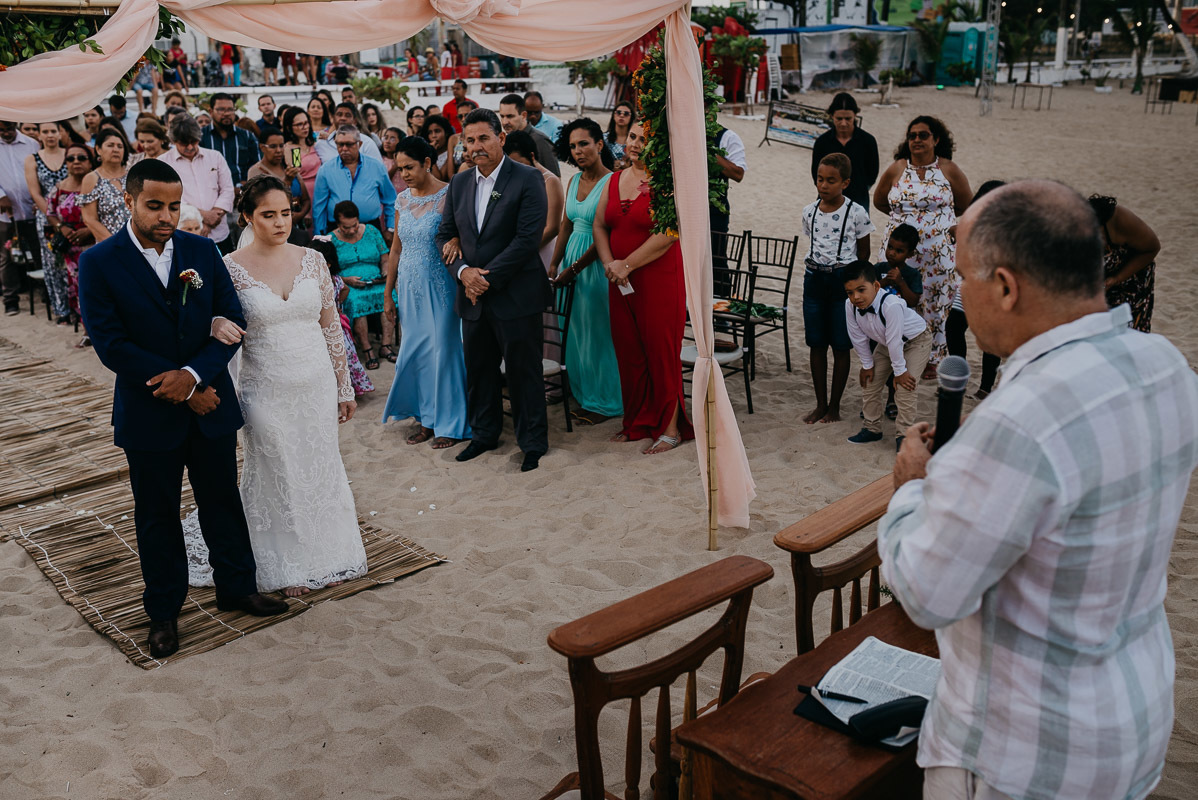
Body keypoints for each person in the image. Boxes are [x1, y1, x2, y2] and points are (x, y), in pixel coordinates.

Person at [879, 180, 1198, 800]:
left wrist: (912, 488)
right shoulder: (1167, 367)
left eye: (964, 277)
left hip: (1024, 755)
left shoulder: (1020, 421)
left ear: (1005, 287)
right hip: (1130, 718)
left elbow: (925, 593)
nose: (961, 295)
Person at [78, 159, 288, 659]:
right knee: (156, 515)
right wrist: (183, 387)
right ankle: (164, 613)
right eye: (155, 206)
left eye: (174, 206)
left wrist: (195, 376)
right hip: (149, 410)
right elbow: (111, 344)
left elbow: (230, 318)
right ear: (128, 201)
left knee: (222, 500)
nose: (167, 216)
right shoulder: (99, 262)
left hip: (210, 401)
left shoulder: (201, 250)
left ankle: (237, 588)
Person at [218, 175, 368, 597]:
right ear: (248, 217)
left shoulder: (313, 259)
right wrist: (216, 324)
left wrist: (344, 386)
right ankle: (287, 564)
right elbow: (220, 325)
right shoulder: (229, 267)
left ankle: (330, 555)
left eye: (285, 213)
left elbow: (331, 327)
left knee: (320, 465)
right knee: (277, 468)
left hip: (315, 382)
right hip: (263, 386)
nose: (280, 222)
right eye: (268, 215)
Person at [436, 108, 550, 472]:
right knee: (479, 370)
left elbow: (527, 239)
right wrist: (463, 272)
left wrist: (483, 279)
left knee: (523, 373)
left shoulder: (528, 178)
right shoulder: (459, 183)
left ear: (501, 138)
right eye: (470, 140)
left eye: (484, 138)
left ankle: (532, 443)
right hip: (472, 297)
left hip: (515, 294)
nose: (476, 147)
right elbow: (444, 235)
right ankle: (484, 435)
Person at [592, 120, 693, 454]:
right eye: (633, 137)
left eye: (644, 139)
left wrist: (627, 264)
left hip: (658, 279)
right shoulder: (613, 179)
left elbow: (669, 232)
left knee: (661, 352)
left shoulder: (668, 182)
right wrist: (609, 263)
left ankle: (670, 428)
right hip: (619, 280)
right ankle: (635, 422)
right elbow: (599, 224)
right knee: (629, 351)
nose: (635, 144)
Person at [382, 136, 470, 448]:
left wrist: (456, 239)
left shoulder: (449, 194)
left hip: (440, 286)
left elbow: (464, 232)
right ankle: (425, 418)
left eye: (409, 167)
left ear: (427, 163)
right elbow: (396, 249)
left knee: (444, 352)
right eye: (399, 168)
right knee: (416, 353)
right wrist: (388, 294)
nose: (403, 174)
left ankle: (450, 423)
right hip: (408, 288)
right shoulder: (402, 200)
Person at [874, 115, 971, 376]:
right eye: (912, 135)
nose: (917, 139)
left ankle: (932, 357)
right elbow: (880, 201)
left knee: (936, 304)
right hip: (900, 251)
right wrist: (904, 219)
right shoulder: (897, 168)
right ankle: (898, 349)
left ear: (936, 139)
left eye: (923, 135)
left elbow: (966, 204)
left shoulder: (948, 169)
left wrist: (941, 221)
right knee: (897, 298)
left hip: (938, 254)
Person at [548, 118, 622, 424]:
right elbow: (566, 225)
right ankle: (584, 393)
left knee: (599, 334)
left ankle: (605, 402)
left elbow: (606, 231)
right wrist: (555, 263)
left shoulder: (613, 182)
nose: (578, 151)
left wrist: (575, 268)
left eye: (584, 144)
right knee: (576, 334)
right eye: (573, 146)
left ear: (599, 145)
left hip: (595, 264)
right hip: (569, 265)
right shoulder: (574, 181)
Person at [801, 152, 875, 424]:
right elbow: (812, 240)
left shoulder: (857, 213)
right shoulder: (809, 211)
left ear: (845, 183)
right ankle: (820, 404)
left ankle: (834, 406)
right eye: (820, 179)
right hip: (813, 280)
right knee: (816, 343)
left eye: (831, 180)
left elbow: (864, 253)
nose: (823, 185)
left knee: (841, 345)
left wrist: (852, 285)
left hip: (842, 282)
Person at [842, 261, 930, 450]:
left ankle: (904, 436)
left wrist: (900, 372)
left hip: (916, 341)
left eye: (861, 290)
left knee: (906, 386)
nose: (856, 297)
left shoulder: (891, 305)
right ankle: (872, 428)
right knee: (870, 381)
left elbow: (895, 340)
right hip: (886, 343)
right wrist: (867, 365)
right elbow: (857, 337)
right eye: (850, 292)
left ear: (876, 286)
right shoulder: (850, 306)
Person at [944, 180, 1004, 399]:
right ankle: (958, 381)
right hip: (969, 286)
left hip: (993, 290)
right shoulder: (974, 222)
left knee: (989, 338)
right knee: (954, 327)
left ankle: (985, 388)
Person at [329, 200, 393, 368]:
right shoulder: (331, 239)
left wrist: (385, 271)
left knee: (389, 295)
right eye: (346, 227)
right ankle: (367, 348)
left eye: (355, 225)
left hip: (376, 280)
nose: (351, 230)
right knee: (356, 301)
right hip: (350, 285)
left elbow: (385, 257)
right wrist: (346, 280)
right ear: (338, 224)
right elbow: (329, 271)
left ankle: (386, 346)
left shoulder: (371, 231)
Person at [308, 237, 374, 397]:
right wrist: (338, 303)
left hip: (329, 327)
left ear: (328, 264)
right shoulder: (336, 280)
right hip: (336, 326)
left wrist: (335, 305)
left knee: (335, 358)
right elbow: (345, 289)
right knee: (344, 357)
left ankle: (340, 389)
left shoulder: (319, 283)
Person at [1088, 194, 1160, 333]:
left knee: (1129, 332)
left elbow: (1152, 248)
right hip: (1101, 284)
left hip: (1132, 280)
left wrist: (1117, 278)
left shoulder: (1122, 220)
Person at [161, 114, 234, 251]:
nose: (190, 147)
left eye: (194, 142)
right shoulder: (163, 162)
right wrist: (201, 218)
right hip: (185, 235)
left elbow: (227, 190)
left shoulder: (215, 157)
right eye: (184, 143)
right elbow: (167, 198)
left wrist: (213, 218)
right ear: (173, 141)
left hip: (219, 232)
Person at [312, 126, 397, 240]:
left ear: (359, 144)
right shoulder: (326, 169)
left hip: (370, 229)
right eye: (340, 144)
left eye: (349, 144)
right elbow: (319, 206)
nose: (344, 148)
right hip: (337, 229)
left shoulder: (376, 166)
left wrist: (390, 228)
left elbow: (390, 200)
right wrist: (320, 235)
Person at [45, 143, 96, 329]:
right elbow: (50, 213)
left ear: (90, 162)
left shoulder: (98, 185)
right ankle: (84, 325)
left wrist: (89, 229)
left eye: (81, 158)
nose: (76, 162)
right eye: (71, 158)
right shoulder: (59, 188)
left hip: (94, 242)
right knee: (76, 284)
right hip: (71, 246)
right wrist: (61, 227)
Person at [23, 122, 70, 321]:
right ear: (39, 135)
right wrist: (53, 218)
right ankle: (61, 309)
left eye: (53, 131)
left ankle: (77, 307)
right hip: (46, 217)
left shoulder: (70, 154)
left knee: (73, 261)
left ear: (59, 133)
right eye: (45, 132)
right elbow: (35, 193)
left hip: (71, 215)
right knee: (53, 262)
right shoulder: (32, 159)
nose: (50, 135)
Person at [811, 93, 879, 210]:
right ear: (832, 116)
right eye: (839, 119)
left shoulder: (868, 141)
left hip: (858, 199)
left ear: (855, 116)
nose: (843, 123)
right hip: (828, 199)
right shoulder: (822, 142)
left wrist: (860, 188)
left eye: (848, 119)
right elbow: (815, 173)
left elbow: (872, 173)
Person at [0, 121, 41, 316]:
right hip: (5, 213)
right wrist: (0, 196)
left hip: (31, 208)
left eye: (9, 129)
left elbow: (39, 172)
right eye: (1, 130)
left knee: (39, 251)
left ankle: (45, 292)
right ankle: (10, 299)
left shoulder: (31, 144)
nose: (6, 133)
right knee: (6, 256)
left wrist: (39, 198)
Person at [247, 127, 311, 242]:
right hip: (274, 229)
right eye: (273, 146)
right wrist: (287, 181)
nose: (278, 150)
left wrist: (300, 214)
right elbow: (259, 203)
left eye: (281, 146)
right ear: (262, 147)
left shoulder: (289, 168)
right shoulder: (256, 172)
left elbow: (306, 200)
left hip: (298, 226)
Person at [79, 129, 131, 247]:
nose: (116, 149)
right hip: (110, 244)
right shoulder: (92, 178)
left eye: (120, 146)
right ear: (98, 149)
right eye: (110, 145)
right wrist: (116, 245)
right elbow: (90, 219)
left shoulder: (132, 176)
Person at [201, 93, 260, 187]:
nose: (227, 113)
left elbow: (257, 165)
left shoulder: (247, 136)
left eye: (230, 109)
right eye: (221, 109)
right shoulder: (200, 137)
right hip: (210, 191)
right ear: (211, 111)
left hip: (242, 191)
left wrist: (246, 183)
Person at [497, 94, 561, 177]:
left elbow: (554, 178)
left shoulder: (540, 141)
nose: (505, 122)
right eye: (502, 116)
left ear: (523, 115)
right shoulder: (504, 141)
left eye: (510, 116)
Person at [877, 223, 923, 308]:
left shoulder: (913, 275)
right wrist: (885, 281)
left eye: (899, 251)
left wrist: (901, 282)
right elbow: (869, 291)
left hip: (902, 315)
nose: (891, 253)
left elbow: (913, 302)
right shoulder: (878, 268)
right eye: (890, 247)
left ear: (910, 254)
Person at [420, 115, 456, 181]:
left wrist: (431, 153)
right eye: (430, 132)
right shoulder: (424, 153)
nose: (433, 136)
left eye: (437, 131)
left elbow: (439, 179)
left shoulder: (449, 153)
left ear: (446, 133)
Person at [379, 126, 409, 196]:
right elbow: (383, 181)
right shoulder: (380, 160)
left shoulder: (405, 160)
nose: (387, 141)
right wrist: (395, 166)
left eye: (392, 139)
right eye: (385, 138)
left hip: (404, 196)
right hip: (387, 197)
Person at [605, 101, 635, 169]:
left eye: (626, 114)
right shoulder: (604, 139)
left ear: (631, 117)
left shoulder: (635, 141)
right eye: (618, 112)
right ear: (614, 115)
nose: (622, 115)